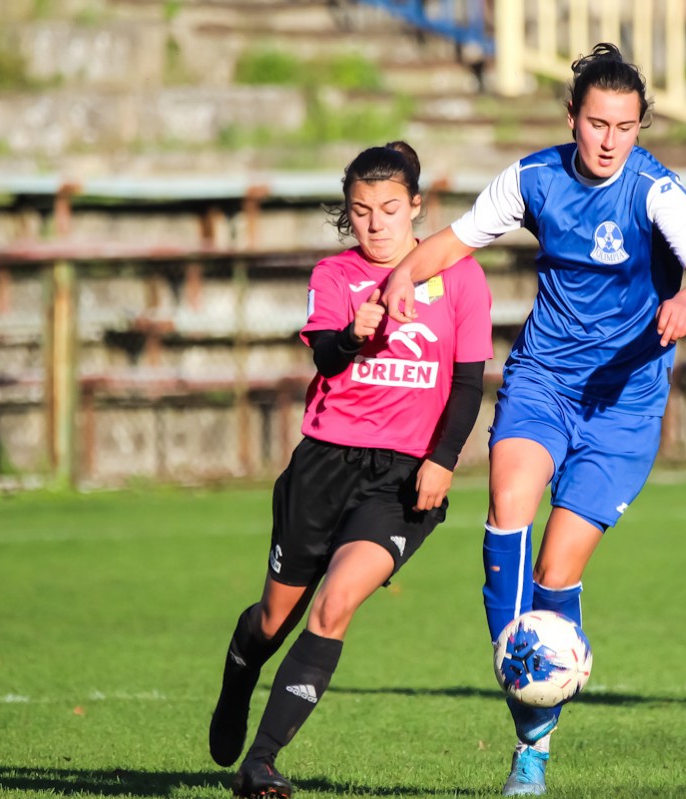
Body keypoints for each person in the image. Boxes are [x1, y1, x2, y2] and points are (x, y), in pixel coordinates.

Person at [382, 43, 686, 796]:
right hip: (544, 381)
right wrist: (404, 274)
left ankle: (535, 727)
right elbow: (456, 240)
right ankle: (530, 720)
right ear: (572, 116)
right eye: (598, 123)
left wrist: (685, 299)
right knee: (508, 508)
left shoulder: (654, 191)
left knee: (555, 572)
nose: (610, 141)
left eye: (626, 127)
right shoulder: (533, 178)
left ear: (639, 128)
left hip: (625, 406)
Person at [207, 141, 493, 798]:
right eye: (361, 211)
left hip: (401, 481)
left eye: (389, 208)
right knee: (272, 620)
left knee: (335, 604)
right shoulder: (335, 275)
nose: (375, 224)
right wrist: (353, 335)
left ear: (415, 206)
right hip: (324, 464)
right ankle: (239, 677)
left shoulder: (461, 276)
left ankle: (261, 762)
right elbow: (327, 361)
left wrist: (442, 461)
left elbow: (468, 384)